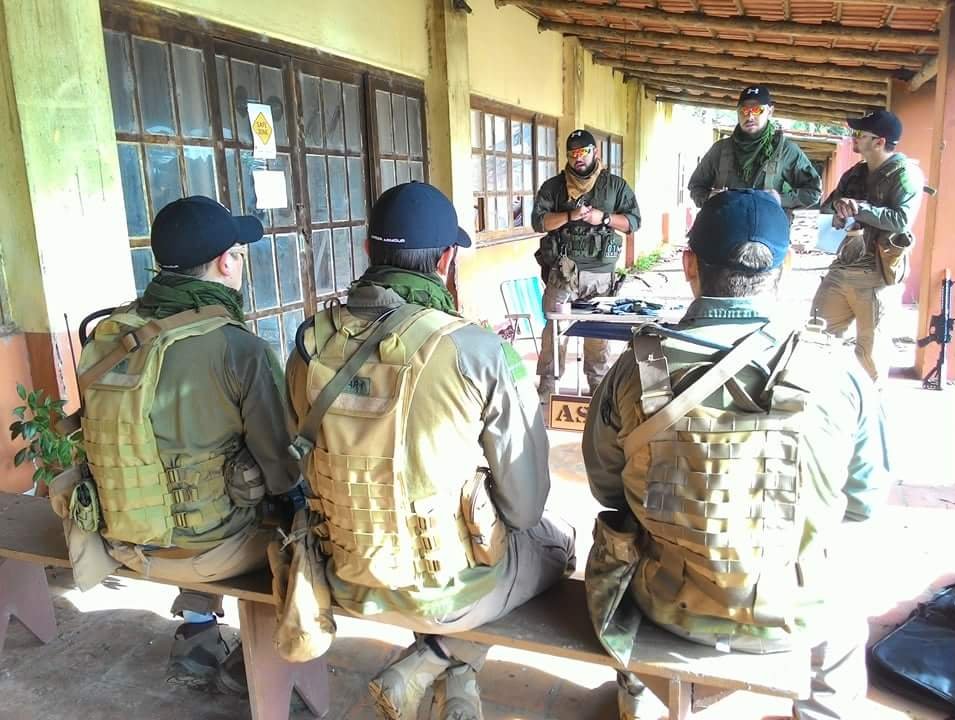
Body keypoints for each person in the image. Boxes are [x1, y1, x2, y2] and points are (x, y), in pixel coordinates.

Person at [582, 190, 891, 720]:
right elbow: (863, 503)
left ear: (689, 265)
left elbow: (607, 488)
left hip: (665, 604)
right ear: (784, 269)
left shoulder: (638, 367)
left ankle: (637, 696)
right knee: (844, 620)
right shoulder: (840, 372)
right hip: (793, 613)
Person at [285, 181, 576, 720]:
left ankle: (446, 677)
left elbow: (298, 460)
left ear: (369, 251)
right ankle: (440, 662)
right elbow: (524, 506)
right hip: (445, 593)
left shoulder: (309, 341)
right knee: (557, 540)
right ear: (444, 260)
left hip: (344, 575)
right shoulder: (477, 349)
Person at [74, 196, 301, 693]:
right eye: (238, 254)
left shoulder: (111, 335)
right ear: (226, 263)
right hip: (213, 553)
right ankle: (266, 655)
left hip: (124, 541)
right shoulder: (241, 349)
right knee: (298, 515)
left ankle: (197, 635)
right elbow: (282, 469)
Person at [811, 109, 925, 383]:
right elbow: (828, 207)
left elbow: (901, 220)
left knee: (870, 357)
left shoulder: (906, 174)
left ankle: (871, 404)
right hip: (842, 269)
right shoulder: (855, 173)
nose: (854, 137)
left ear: (879, 141)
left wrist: (859, 208)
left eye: (860, 133)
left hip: (877, 276)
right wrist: (839, 210)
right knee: (815, 340)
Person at [532, 129, 641, 402]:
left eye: (583, 152)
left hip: (600, 277)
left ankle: (598, 393)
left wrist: (603, 218)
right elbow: (539, 222)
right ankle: (546, 392)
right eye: (572, 154)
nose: (578, 158)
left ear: (596, 152)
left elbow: (633, 222)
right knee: (555, 334)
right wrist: (570, 215)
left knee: (598, 338)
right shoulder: (554, 187)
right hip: (563, 274)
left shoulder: (614, 186)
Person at [687, 86, 822, 215]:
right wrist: (709, 197)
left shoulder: (785, 150)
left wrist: (781, 199)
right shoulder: (720, 149)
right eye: (744, 110)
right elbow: (696, 186)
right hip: (723, 226)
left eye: (757, 110)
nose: (750, 116)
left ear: (770, 111)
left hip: (767, 227)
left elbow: (813, 191)